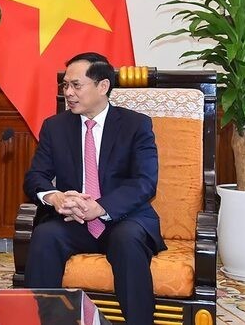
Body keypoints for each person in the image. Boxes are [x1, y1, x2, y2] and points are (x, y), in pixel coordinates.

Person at [23, 52, 165, 325]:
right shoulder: (55, 127)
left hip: (123, 218)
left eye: (76, 85)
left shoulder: (136, 124)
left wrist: (101, 207)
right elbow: (35, 177)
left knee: (127, 241)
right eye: (65, 85)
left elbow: (145, 181)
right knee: (45, 236)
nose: (68, 92)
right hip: (74, 220)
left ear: (103, 86)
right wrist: (55, 197)